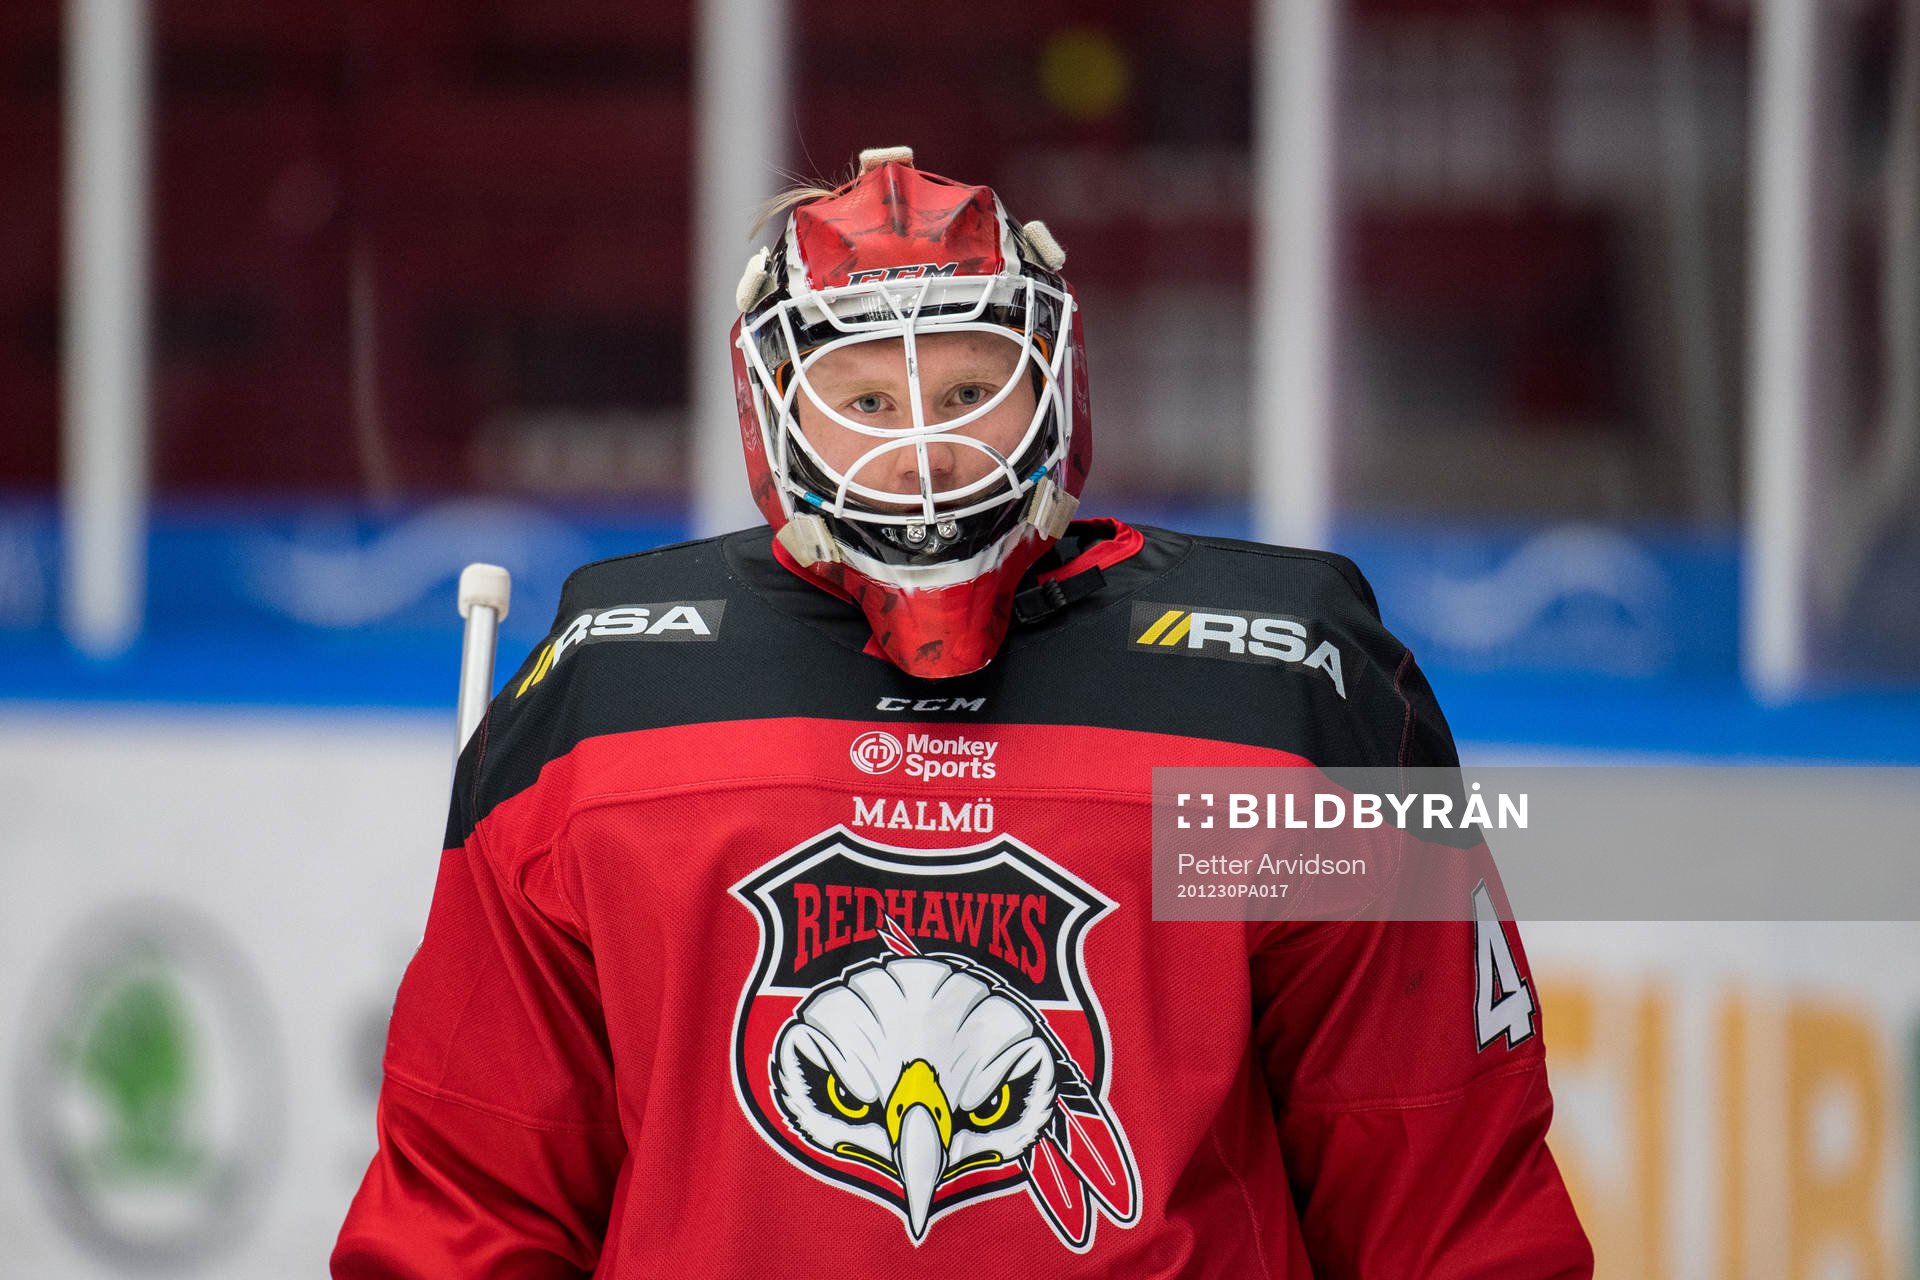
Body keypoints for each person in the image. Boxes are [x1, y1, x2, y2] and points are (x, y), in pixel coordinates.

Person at [333, 147, 1592, 1277]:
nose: (927, 450)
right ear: (776, 414)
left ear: (1056, 381)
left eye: (970, 385)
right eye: (870, 402)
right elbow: (470, 1198)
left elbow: (1448, 1200)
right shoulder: (603, 695)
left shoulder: (1282, 687)